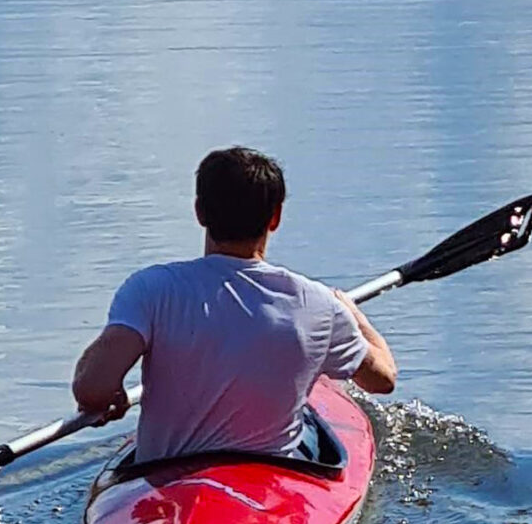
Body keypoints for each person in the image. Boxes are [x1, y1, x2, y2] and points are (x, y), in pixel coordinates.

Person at [71, 148, 397, 464]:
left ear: (199, 212)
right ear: (276, 217)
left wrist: (115, 398)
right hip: (271, 478)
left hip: (164, 475)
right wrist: (354, 315)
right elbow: (382, 379)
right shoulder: (319, 305)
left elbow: (92, 390)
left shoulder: (149, 288)